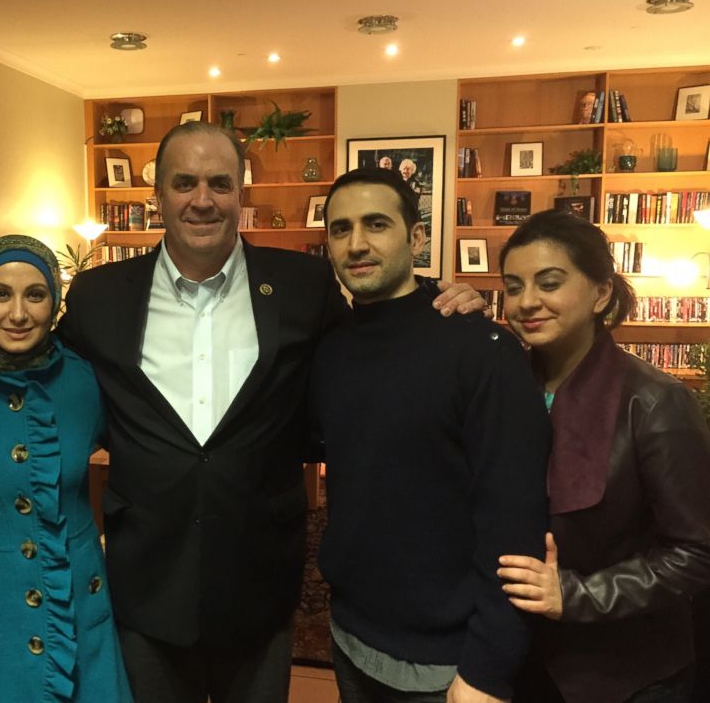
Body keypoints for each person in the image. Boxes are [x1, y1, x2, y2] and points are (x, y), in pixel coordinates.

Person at [56, 121, 488, 703]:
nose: (202, 200)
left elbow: (372, 339)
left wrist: (440, 297)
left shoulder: (304, 284)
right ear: (156, 195)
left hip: (260, 578)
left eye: (220, 183)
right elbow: (48, 381)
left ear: (242, 194)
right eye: (184, 183)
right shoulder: (96, 296)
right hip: (146, 580)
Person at [310, 167, 550, 702]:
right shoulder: (330, 350)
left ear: (417, 237)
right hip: (351, 637)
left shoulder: (482, 351)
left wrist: (487, 667)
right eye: (340, 229)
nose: (357, 244)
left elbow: (513, 521)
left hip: (450, 663)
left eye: (376, 224)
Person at [496, 210, 710, 703]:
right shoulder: (506, 386)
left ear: (601, 292)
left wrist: (575, 595)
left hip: (627, 674)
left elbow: (696, 552)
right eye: (513, 286)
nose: (527, 302)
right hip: (522, 657)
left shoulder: (653, 400)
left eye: (549, 283)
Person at [0, 235, 132, 702]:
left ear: (54, 302)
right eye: (0, 294)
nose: (18, 314)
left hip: (76, 602)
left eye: (35, 294)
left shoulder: (83, 379)